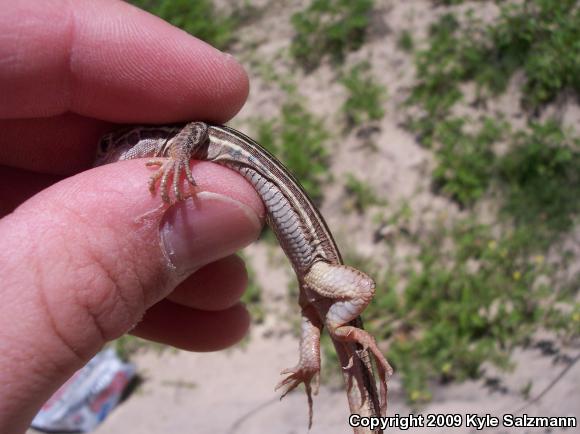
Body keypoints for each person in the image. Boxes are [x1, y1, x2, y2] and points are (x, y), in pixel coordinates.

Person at [0, 1, 263, 432]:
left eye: (106, 148)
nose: (106, 159)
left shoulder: (167, 141)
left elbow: (196, 130)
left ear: (132, 139)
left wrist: (178, 156)